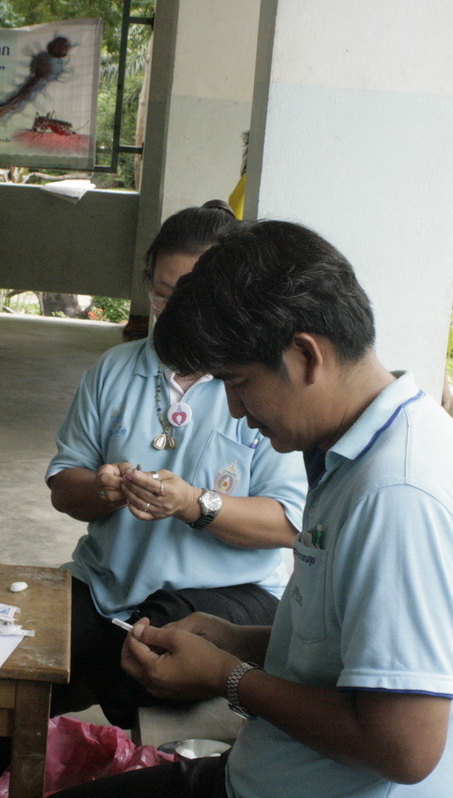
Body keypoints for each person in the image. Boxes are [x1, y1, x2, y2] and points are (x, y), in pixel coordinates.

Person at [54, 220, 453, 797]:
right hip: (263, 774)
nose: (235, 408)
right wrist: (234, 639)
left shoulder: (399, 496)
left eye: (239, 382)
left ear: (304, 356)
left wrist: (228, 677)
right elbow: (340, 651)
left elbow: (403, 748)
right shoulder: (360, 452)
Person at [45, 201, 306, 729]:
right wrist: (104, 490)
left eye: (193, 296)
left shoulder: (260, 380)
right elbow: (64, 487)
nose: (176, 311)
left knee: (153, 637)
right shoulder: (113, 370)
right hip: (106, 584)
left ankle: (99, 707)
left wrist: (194, 504)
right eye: (163, 295)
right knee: (16, 649)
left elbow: (289, 521)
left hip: (234, 595)